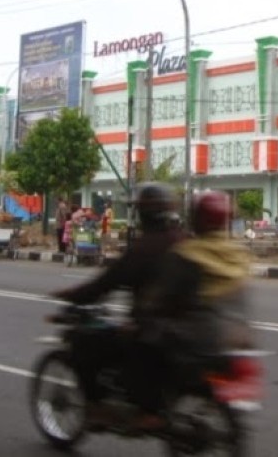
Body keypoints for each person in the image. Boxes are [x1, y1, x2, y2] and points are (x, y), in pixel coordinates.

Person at [50, 183, 186, 428]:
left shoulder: (144, 248)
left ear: (143, 214)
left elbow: (105, 283)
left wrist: (74, 295)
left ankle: (97, 407)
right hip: (188, 328)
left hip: (152, 331)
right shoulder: (185, 241)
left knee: (86, 341)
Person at [129, 190, 254, 430]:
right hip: (238, 339)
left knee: (143, 342)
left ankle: (149, 411)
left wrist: (145, 309)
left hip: (198, 339)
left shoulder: (188, 254)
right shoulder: (238, 254)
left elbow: (161, 295)